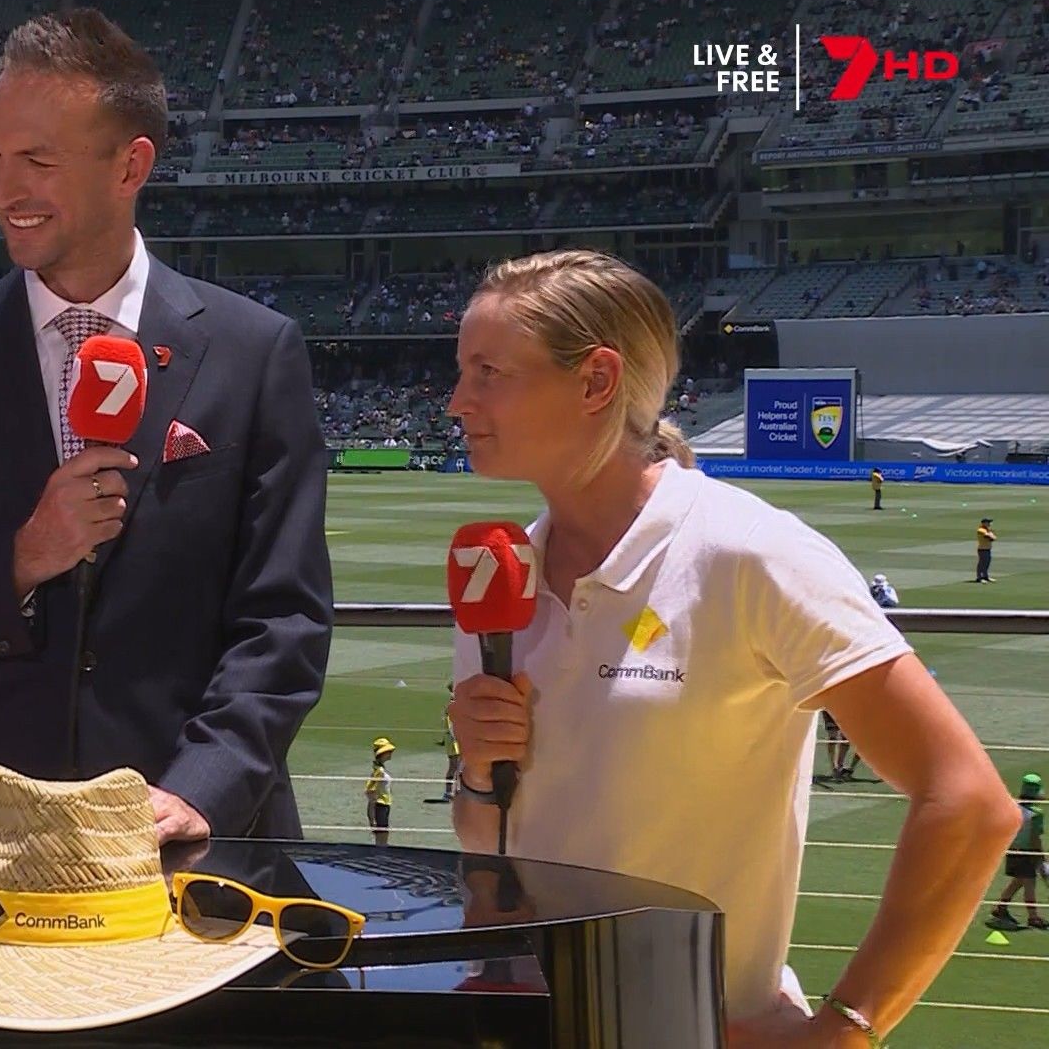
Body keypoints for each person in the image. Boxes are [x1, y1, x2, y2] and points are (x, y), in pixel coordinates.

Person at [444, 250, 1018, 1045]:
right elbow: (490, 841)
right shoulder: (501, 574)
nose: (457, 401)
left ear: (596, 382)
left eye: (488, 373)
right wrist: (480, 772)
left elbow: (970, 802)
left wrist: (844, 1030)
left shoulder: (747, 552)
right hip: (525, 1021)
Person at [0, 9, 333, 844]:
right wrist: (21, 559)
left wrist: (201, 789)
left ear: (132, 166)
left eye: (38, 161)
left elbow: (285, 619)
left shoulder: (255, 352)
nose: (4, 189)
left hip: (196, 843)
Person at [988, 773, 1045, 932]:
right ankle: (1033, 917)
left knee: (1019, 880)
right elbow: (1035, 838)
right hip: (1027, 852)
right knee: (1029, 883)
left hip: (1012, 849)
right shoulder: (1036, 814)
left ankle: (1000, 907)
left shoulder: (1012, 806)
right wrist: (1040, 857)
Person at [425, 681, 461, 804]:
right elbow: (450, 724)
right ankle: (448, 792)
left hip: (455, 738)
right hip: (453, 739)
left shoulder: (456, 703)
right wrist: (455, 737)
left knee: (459, 766)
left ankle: (456, 791)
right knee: (454, 766)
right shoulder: (453, 704)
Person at [363, 738, 394, 846]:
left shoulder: (380, 769)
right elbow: (370, 791)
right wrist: (371, 817)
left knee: (383, 834)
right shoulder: (379, 771)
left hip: (384, 805)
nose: (390, 753)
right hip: (380, 805)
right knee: (382, 836)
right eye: (388, 751)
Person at [975, 516, 996, 582]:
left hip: (988, 549)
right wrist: (991, 535)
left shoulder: (988, 530)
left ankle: (985, 576)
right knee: (982, 564)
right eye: (988, 522)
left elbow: (994, 538)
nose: (990, 523)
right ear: (984, 523)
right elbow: (989, 537)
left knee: (987, 564)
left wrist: (991, 535)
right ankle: (979, 577)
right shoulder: (981, 530)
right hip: (982, 549)